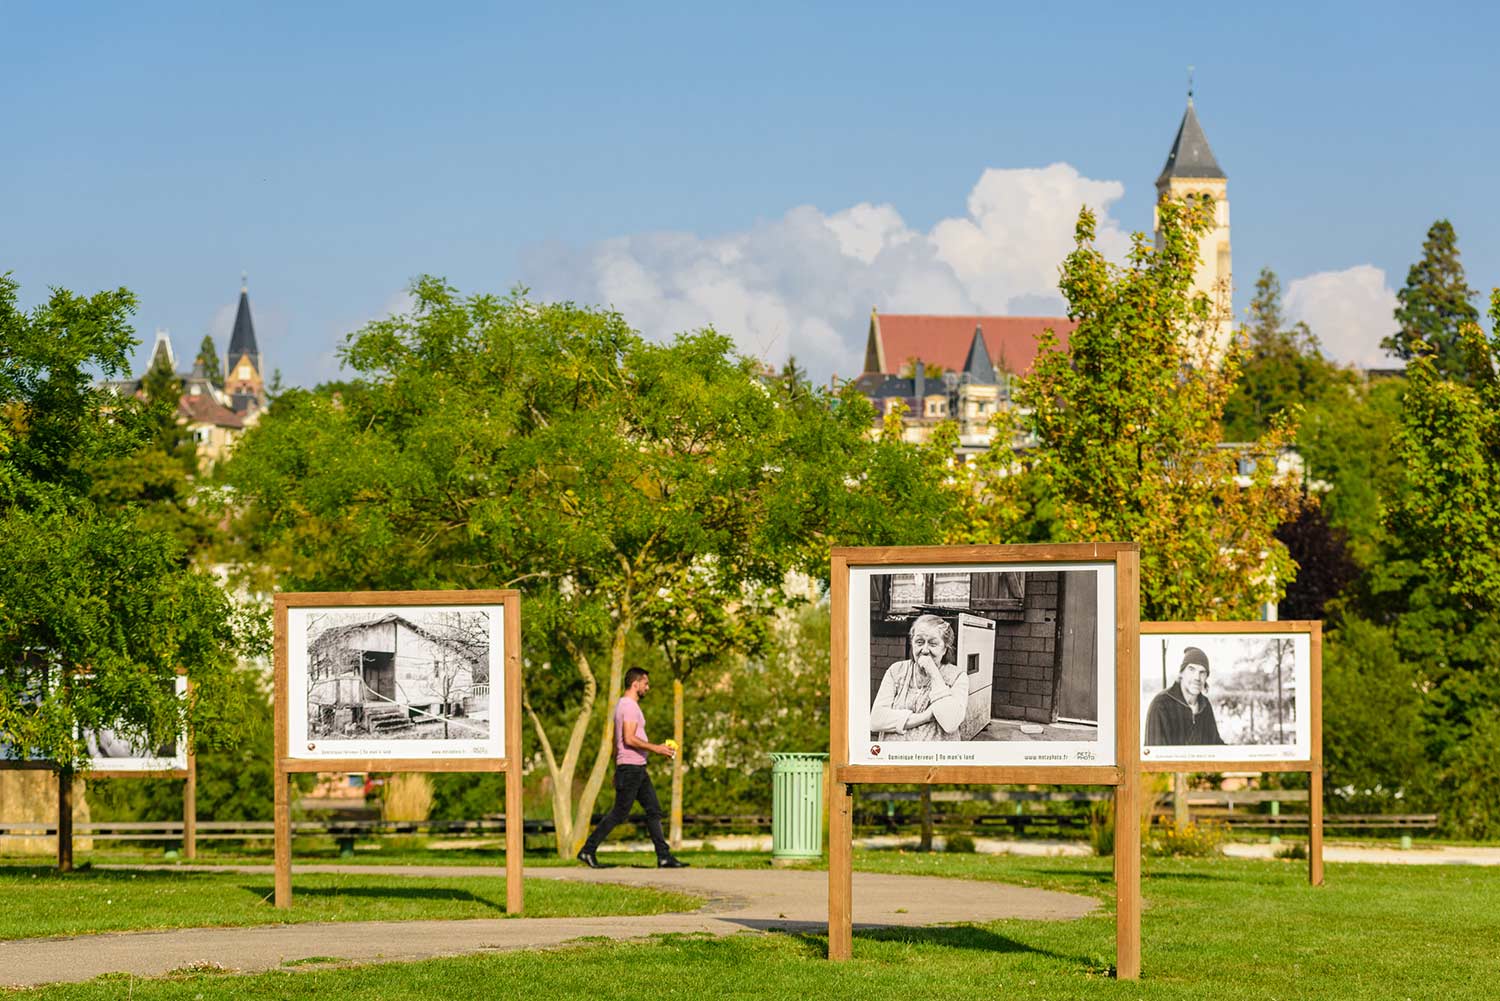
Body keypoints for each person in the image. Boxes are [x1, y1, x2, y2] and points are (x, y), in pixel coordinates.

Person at [577, 667, 688, 869]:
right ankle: (587, 850)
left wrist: (616, 767)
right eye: (645, 683)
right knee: (619, 813)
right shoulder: (628, 706)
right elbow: (628, 739)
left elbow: (615, 742)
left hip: (634, 767)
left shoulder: (626, 705)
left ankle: (664, 856)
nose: (648, 687)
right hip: (631, 768)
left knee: (653, 810)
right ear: (635, 684)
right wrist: (657, 748)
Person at [868, 614, 970, 741]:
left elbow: (950, 723)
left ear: (945, 649)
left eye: (933, 643)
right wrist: (926, 716)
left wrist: (933, 673)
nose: (925, 650)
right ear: (912, 644)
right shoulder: (896, 671)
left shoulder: (958, 677)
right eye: (919, 642)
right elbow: (876, 720)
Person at [1144, 647, 1225, 746]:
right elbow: (1154, 755)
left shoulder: (1205, 705)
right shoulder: (1161, 705)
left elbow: (1215, 745)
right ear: (1181, 673)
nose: (1197, 678)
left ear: (1206, 677)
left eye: (1202, 672)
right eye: (1191, 669)